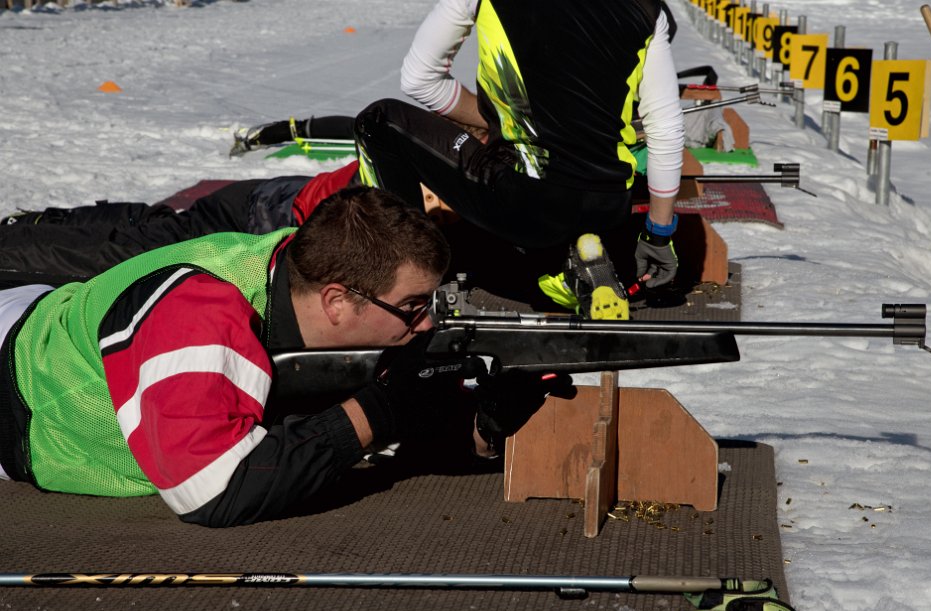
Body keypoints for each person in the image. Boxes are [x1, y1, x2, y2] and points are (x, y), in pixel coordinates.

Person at [0, 186, 571, 528]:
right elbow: (214, 491)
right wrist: (387, 406)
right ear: (337, 301)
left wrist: (477, 426)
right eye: (413, 307)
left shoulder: (298, 274)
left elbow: (322, 409)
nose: (426, 324)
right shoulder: (199, 312)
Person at [354, 0, 686, 321]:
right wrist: (658, 235)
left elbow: (419, 79)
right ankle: (574, 270)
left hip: (528, 199)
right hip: (609, 204)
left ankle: (395, 281)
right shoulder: (648, 8)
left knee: (379, 121)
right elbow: (666, 130)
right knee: (542, 230)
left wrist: (502, 120)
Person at [0, 162, 362, 287]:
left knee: (153, 231)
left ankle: (40, 224)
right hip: (246, 222)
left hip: (257, 207)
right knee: (130, 259)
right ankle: (15, 243)